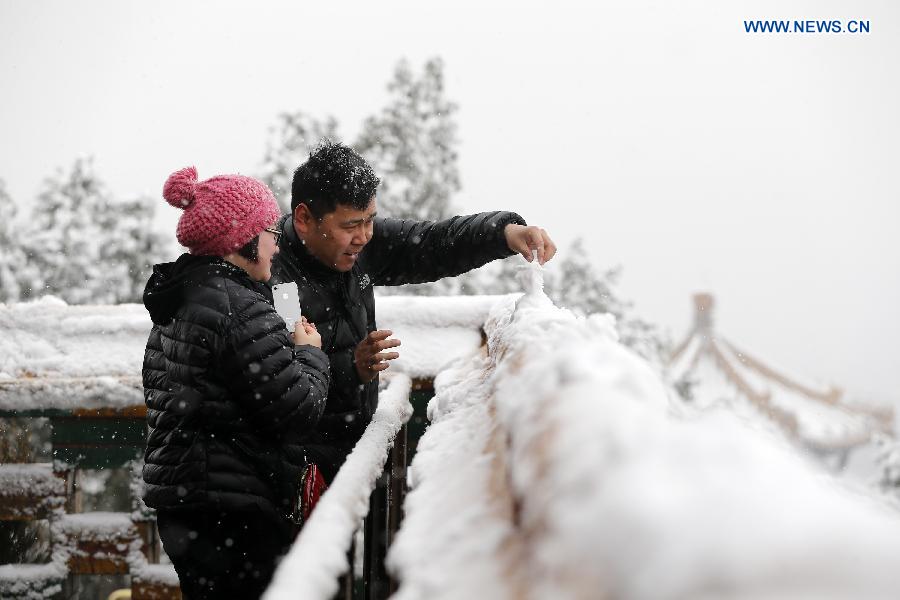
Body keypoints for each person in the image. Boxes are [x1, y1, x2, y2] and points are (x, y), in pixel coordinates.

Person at [269, 141, 556, 481]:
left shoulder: (359, 247)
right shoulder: (275, 280)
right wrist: (352, 368)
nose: (363, 237)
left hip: (352, 455)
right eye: (350, 226)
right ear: (304, 219)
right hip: (296, 471)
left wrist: (505, 233)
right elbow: (280, 388)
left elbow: (434, 244)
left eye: (370, 221)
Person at [141, 166, 330, 599]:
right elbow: (299, 412)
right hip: (235, 512)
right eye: (269, 231)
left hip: (185, 507)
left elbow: (171, 393)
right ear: (241, 238)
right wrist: (309, 352)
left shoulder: (180, 301)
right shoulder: (240, 308)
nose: (277, 243)